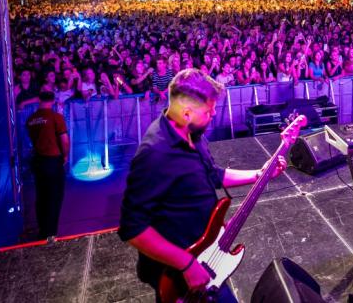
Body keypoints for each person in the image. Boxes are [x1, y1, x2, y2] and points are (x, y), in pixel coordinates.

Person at [118, 69, 287, 302]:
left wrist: (259, 174)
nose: (214, 114)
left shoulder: (194, 134)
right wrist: (186, 264)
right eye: (209, 111)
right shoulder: (155, 153)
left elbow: (213, 175)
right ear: (186, 113)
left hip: (207, 255)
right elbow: (132, 229)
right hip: (178, 272)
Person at [26, 90, 69, 241]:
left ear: (39, 99)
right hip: (53, 160)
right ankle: (51, 233)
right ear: (53, 100)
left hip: (38, 160)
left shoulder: (31, 119)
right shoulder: (56, 117)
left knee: (41, 196)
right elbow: (64, 140)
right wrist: (65, 155)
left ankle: (42, 230)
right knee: (55, 197)